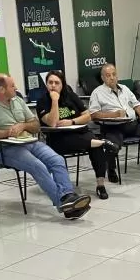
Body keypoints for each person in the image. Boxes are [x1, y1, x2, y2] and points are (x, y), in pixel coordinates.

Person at [0, 74, 92, 218]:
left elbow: (36, 125)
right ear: (1, 89)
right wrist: (8, 132)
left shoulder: (17, 101)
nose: (16, 88)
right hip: (5, 149)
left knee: (57, 160)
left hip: (29, 142)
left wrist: (23, 125)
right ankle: (64, 204)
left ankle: (68, 195)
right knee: (38, 166)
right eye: (12, 86)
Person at [36, 70, 117, 200]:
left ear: (62, 84)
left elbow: (87, 116)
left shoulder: (70, 96)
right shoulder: (43, 101)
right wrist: (55, 101)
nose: (53, 85)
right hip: (58, 139)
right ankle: (102, 142)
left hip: (79, 133)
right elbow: (52, 123)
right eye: (50, 82)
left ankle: (100, 185)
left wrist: (72, 121)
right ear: (46, 84)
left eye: (57, 83)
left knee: (95, 147)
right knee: (94, 143)